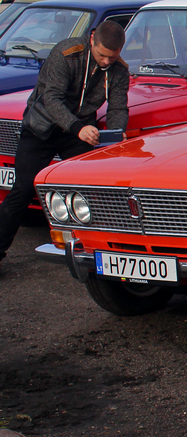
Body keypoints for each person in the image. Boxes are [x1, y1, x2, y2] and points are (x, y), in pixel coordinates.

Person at [0, 20, 130, 268]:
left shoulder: (119, 70)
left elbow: (118, 107)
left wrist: (116, 133)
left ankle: (95, 249)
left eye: (112, 58)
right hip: (42, 127)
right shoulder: (66, 53)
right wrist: (77, 127)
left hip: (77, 131)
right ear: (92, 40)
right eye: (102, 55)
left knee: (88, 190)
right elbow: (52, 98)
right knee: (23, 190)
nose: (106, 62)